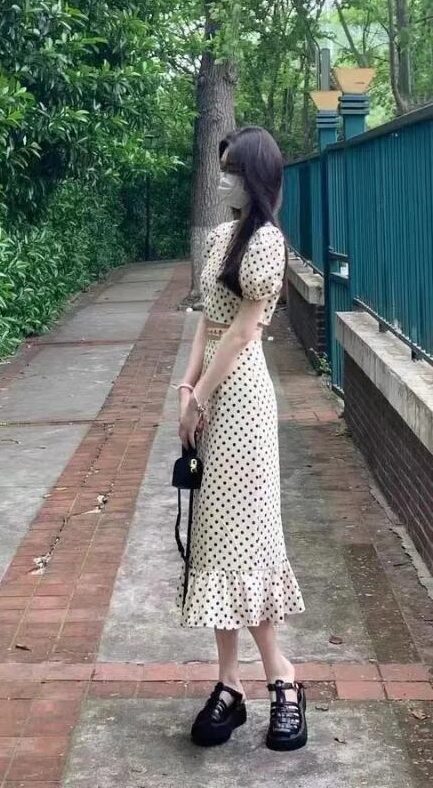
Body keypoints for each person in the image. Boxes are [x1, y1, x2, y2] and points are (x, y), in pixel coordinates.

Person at [175, 126, 307, 751]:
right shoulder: (221, 238)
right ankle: (229, 685)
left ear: (255, 177)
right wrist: (186, 388)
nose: (224, 179)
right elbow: (207, 321)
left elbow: (243, 330)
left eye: (232, 170)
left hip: (245, 405)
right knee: (213, 542)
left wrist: (201, 396)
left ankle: (283, 679)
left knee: (249, 540)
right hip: (210, 395)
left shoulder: (267, 243)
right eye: (221, 168)